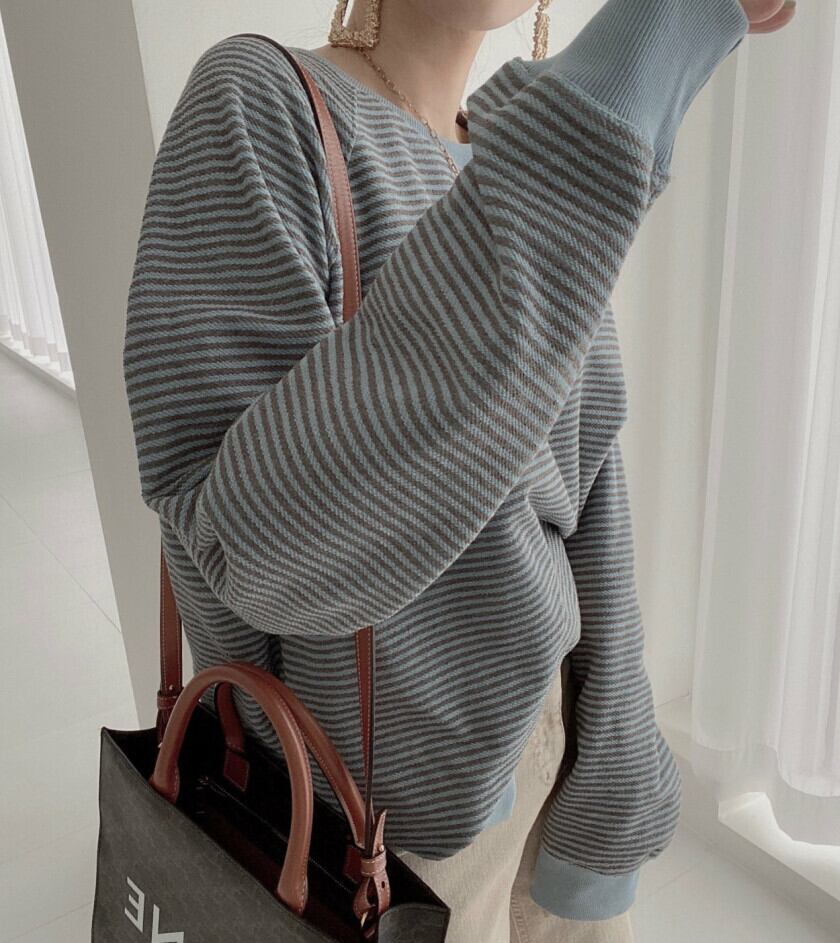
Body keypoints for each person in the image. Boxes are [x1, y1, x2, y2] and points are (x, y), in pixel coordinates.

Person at [121, 1, 796, 940]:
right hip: (384, 833)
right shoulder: (260, 100)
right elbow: (258, 549)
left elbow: (588, 499)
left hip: (553, 757)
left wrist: (614, 764)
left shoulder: (507, 151)